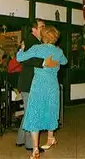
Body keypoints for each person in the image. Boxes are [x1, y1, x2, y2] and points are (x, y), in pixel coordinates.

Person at [16, 25, 67, 159]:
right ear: (56, 38)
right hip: (52, 86)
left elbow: (20, 58)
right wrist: (57, 58)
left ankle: (35, 150)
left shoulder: (37, 48)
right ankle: (50, 138)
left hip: (38, 86)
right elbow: (65, 61)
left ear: (43, 36)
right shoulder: (58, 51)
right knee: (51, 110)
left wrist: (20, 50)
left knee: (35, 114)